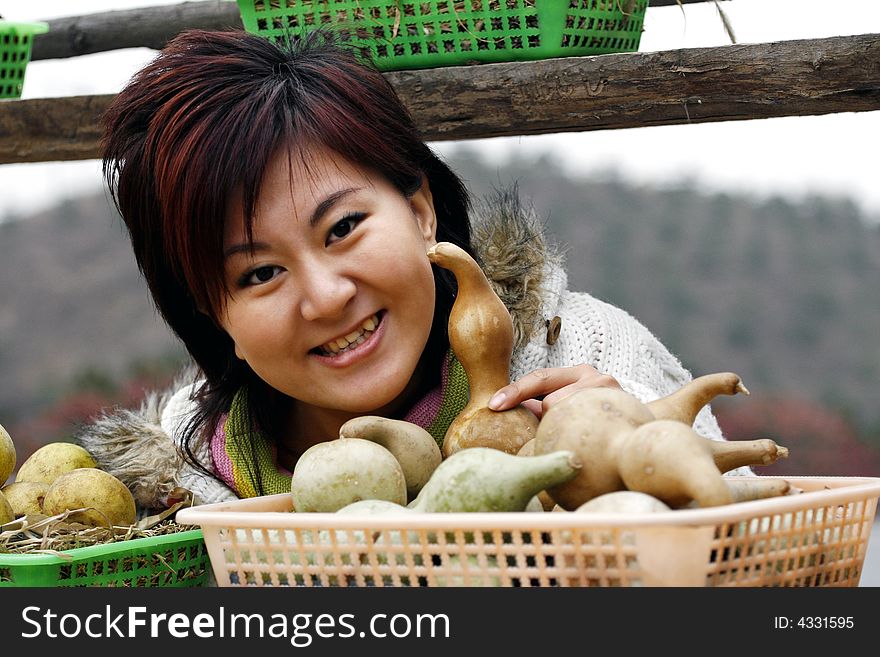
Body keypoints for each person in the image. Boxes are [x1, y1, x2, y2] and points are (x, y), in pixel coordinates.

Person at [80, 28, 741, 512]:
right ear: (212, 313)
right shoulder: (180, 489)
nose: (326, 295)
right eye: (259, 274)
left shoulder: (577, 346)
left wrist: (626, 447)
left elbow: (749, 559)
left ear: (421, 210)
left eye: (343, 228)